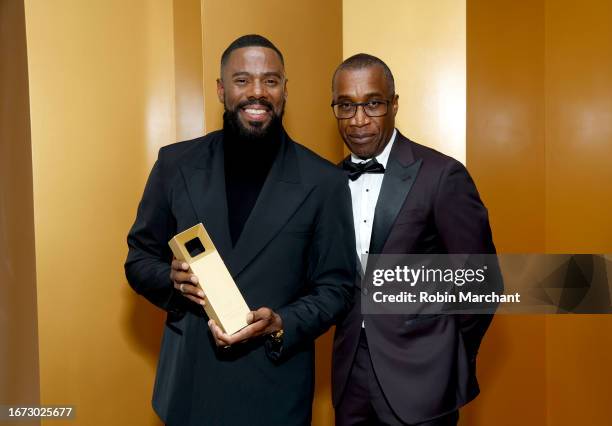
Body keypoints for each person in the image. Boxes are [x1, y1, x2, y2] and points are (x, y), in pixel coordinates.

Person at [125, 34, 355, 426]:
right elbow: (138, 258)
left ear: (285, 89)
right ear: (221, 89)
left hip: (274, 392)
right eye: (242, 80)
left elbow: (337, 287)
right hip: (188, 390)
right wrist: (171, 279)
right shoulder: (175, 164)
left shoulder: (324, 181)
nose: (257, 92)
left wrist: (282, 323)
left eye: (270, 80)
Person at [331, 54, 499, 426]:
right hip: (349, 377)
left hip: (423, 377)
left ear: (393, 104)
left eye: (372, 103)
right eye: (346, 106)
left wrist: (444, 352)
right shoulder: (327, 182)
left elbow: (482, 283)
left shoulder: (442, 175)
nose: (359, 119)